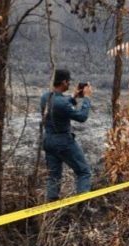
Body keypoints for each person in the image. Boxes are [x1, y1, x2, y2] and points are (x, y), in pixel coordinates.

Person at [39, 69, 93, 202]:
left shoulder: (45, 97)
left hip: (48, 141)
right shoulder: (62, 103)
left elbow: (59, 107)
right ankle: (83, 207)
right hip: (63, 142)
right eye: (69, 82)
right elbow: (81, 117)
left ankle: (51, 209)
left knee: (53, 176)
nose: (69, 84)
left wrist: (74, 97)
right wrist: (86, 98)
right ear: (64, 82)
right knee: (84, 172)